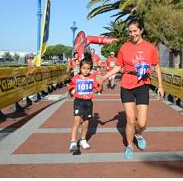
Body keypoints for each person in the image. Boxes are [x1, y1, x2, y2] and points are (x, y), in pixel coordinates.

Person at [99, 19, 164, 159]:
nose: (132, 34)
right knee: (130, 120)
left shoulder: (150, 48)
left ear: (141, 30)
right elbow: (118, 67)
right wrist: (104, 77)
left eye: (135, 31)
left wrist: (160, 85)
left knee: (142, 123)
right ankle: (129, 145)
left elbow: (156, 66)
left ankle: (138, 134)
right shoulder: (124, 47)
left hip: (142, 85)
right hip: (127, 84)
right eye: (130, 31)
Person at [68, 54, 102, 152]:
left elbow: (98, 89)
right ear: (80, 68)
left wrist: (101, 83)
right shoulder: (76, 78)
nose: (86, 70)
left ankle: (83, 140)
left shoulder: (92, 78)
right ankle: (73, 142)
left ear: (90, 69)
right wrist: (72, 91)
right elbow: (70, 88)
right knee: (77, 121)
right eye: (83, 68)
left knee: (86, 123)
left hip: (88, 102)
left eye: (88, 68)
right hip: (78, 102)